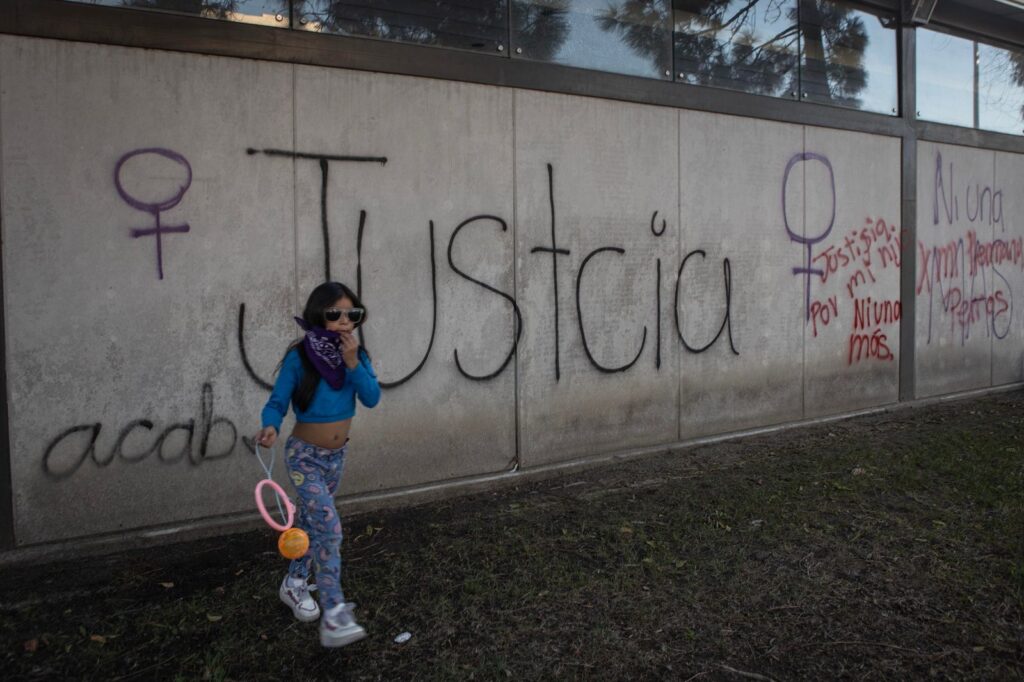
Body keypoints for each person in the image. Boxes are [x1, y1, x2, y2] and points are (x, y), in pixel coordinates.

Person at [254, 281, 381, 648]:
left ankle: (294, 582)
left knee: (310, 522)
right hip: (304, 457)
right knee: (329, 530)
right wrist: (270, 426)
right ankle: (334, 613)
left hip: (335, 458)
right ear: (317, 315)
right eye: (335, 314)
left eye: (352, 314)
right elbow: (278, 401)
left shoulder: (358, 356)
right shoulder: (299, 357)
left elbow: (371, 398)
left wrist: (355, 364)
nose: (345, 321)